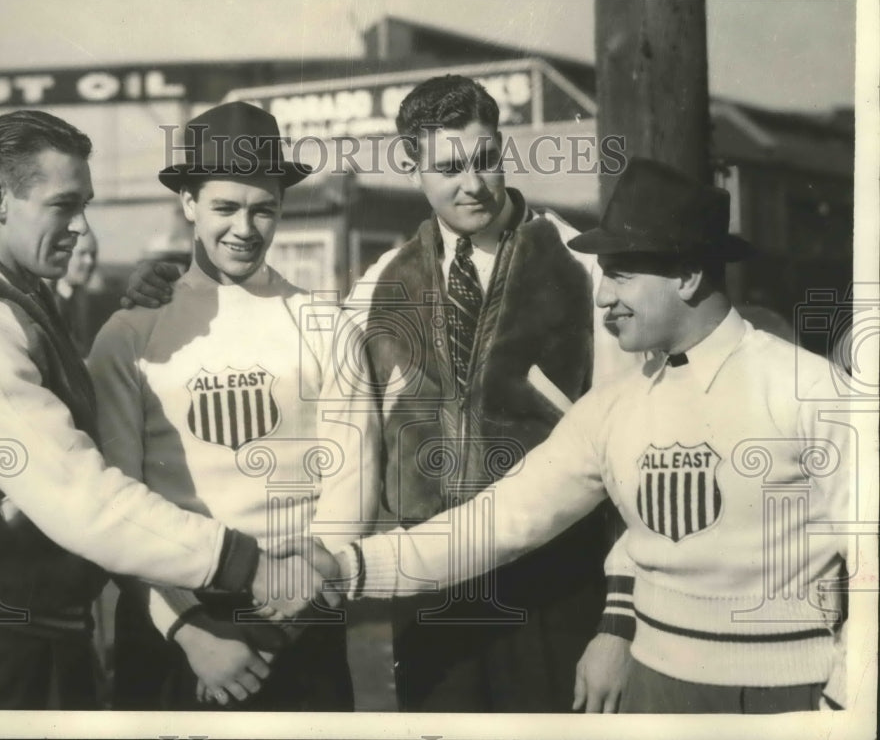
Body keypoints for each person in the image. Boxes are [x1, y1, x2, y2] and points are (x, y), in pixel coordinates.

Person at [125, 76, 638, 713]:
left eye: (484, 160)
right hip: (428, 594)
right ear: (410, 165)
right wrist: (170, 286)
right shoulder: (379, 285)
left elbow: (634, 456)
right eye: (448, 167)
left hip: (558, 587)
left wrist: (618, 622)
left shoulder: (584, 271)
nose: (472, 185)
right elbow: (297, 370)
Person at [314, 158, 850, 714]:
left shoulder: (809, 389)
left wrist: (849, 696)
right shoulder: (613, 407)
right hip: (653, 692)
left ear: (688, 276)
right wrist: (350, 567)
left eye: (621, 275)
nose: (602, 297)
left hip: (790, 697)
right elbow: (500, 521)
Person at [0, 110, 327, 710]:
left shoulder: (18, 300)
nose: (82, 226)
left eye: (87, 204)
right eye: (63, 204)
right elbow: (84, 497)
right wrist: (243, 564)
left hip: (35, 632)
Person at [87, 101, 379, 711]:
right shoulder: (128, 333)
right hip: (176, 626)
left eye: (263, 209)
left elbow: (352, 481)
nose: (245, 228)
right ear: (189, 203)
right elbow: (114, 502)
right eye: (224, 207)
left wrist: (285, 627)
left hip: (302, 615)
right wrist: (190, 632)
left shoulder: (325, 324)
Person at [51, 227, 100, 356]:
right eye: (82, 254)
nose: (89, 261)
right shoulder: (48, 300)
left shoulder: (83, 300)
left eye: (93, 254)